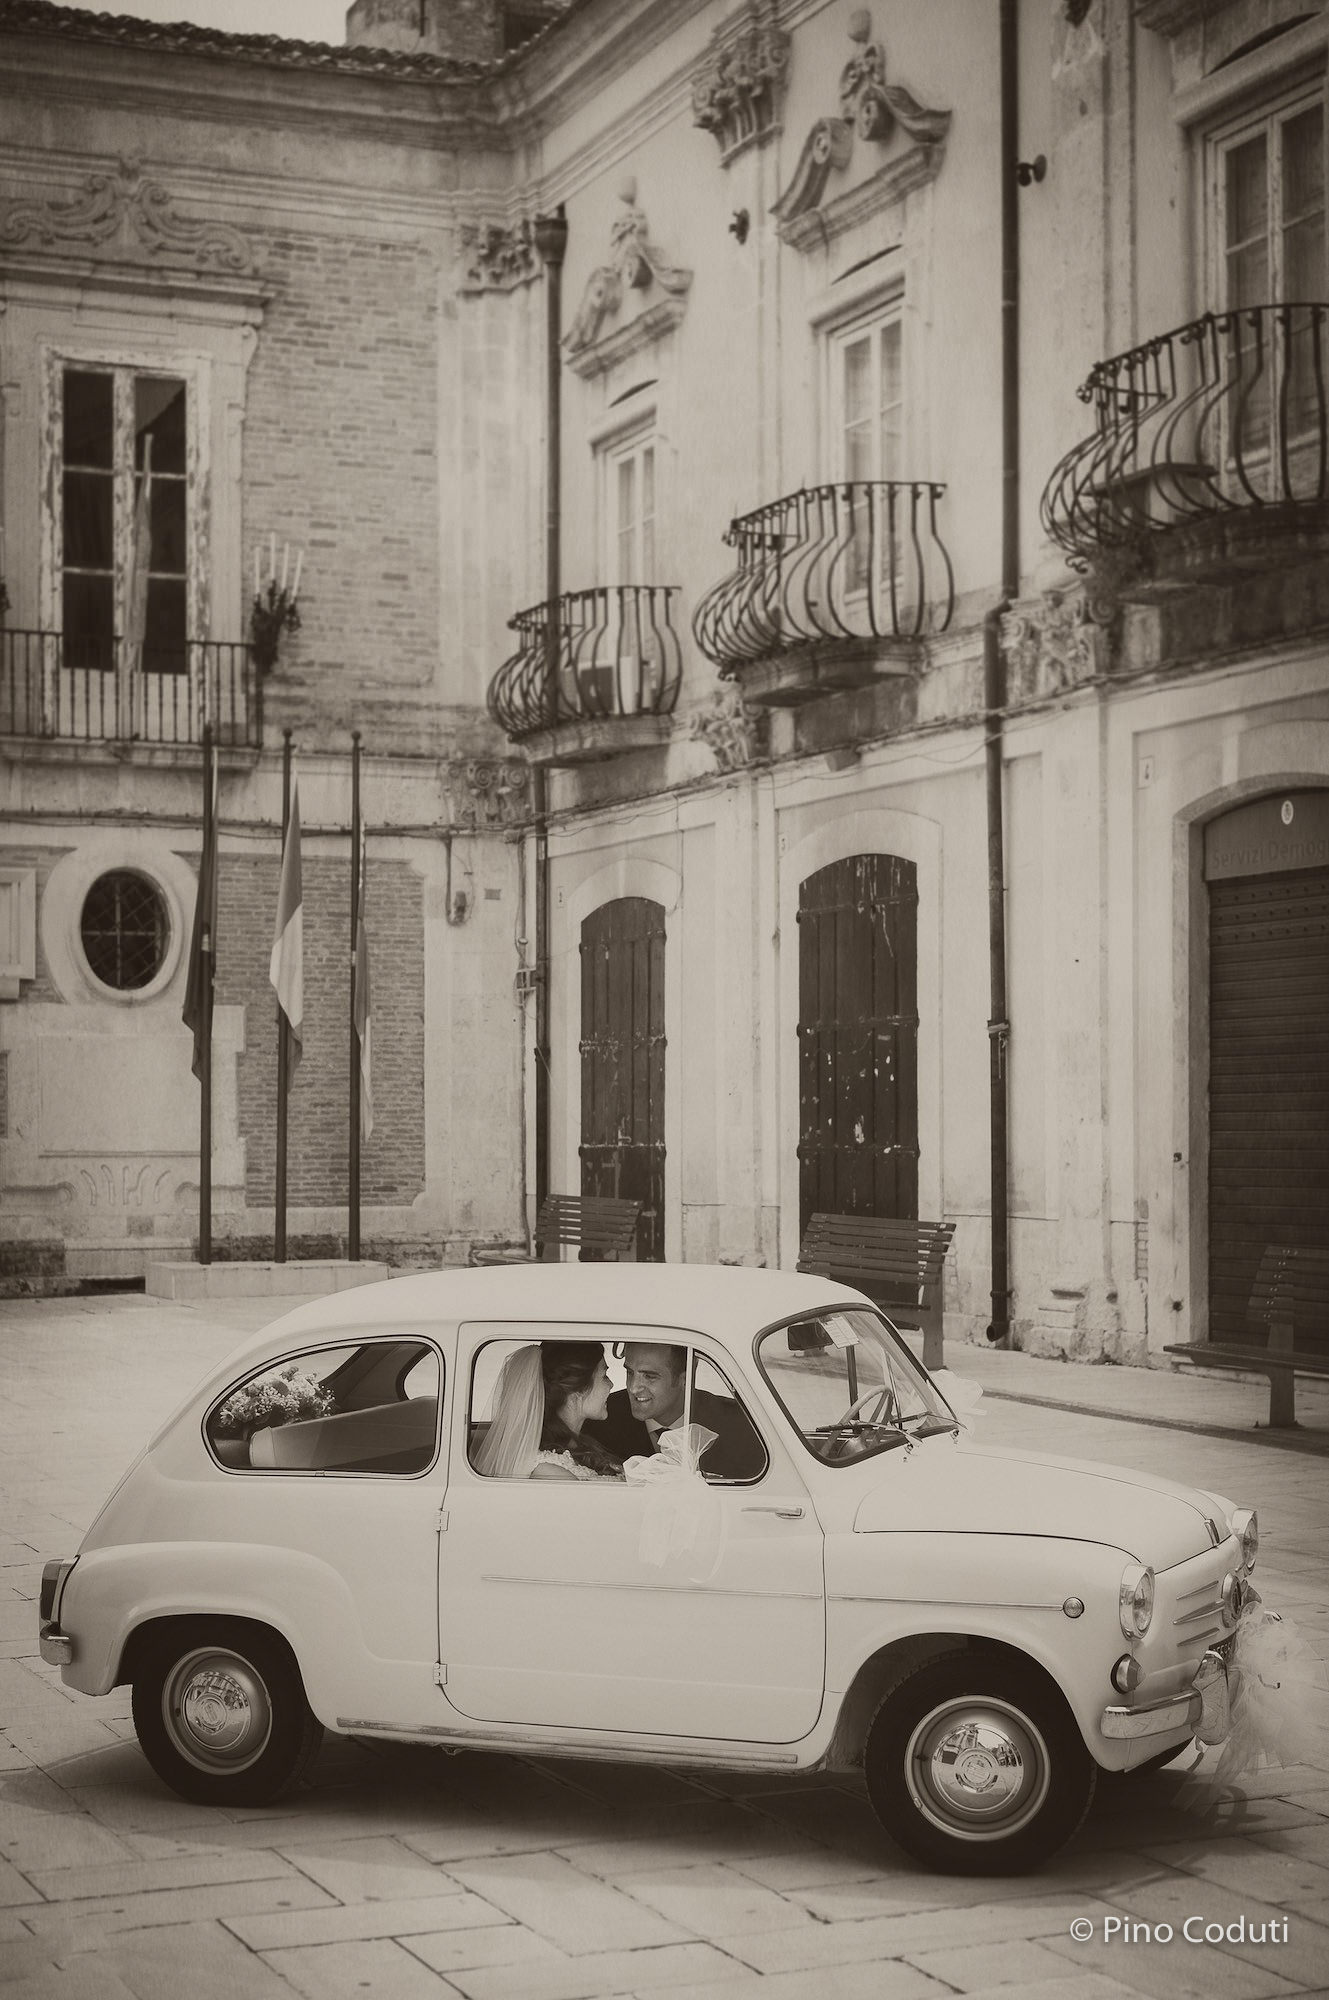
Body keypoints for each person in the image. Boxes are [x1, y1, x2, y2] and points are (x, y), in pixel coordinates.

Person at [583, 1341, 765, 1481]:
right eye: (630, 1372)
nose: (633, 1388)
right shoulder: (600, 1421)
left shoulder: (738, 1424)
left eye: (649, 1376)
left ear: (684, 1378)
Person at [473, 1340, 625, 1482]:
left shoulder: (581, 1445)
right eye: (604, 1376)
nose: (611, 1384)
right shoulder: (550, 1472)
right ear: (578, 1391)